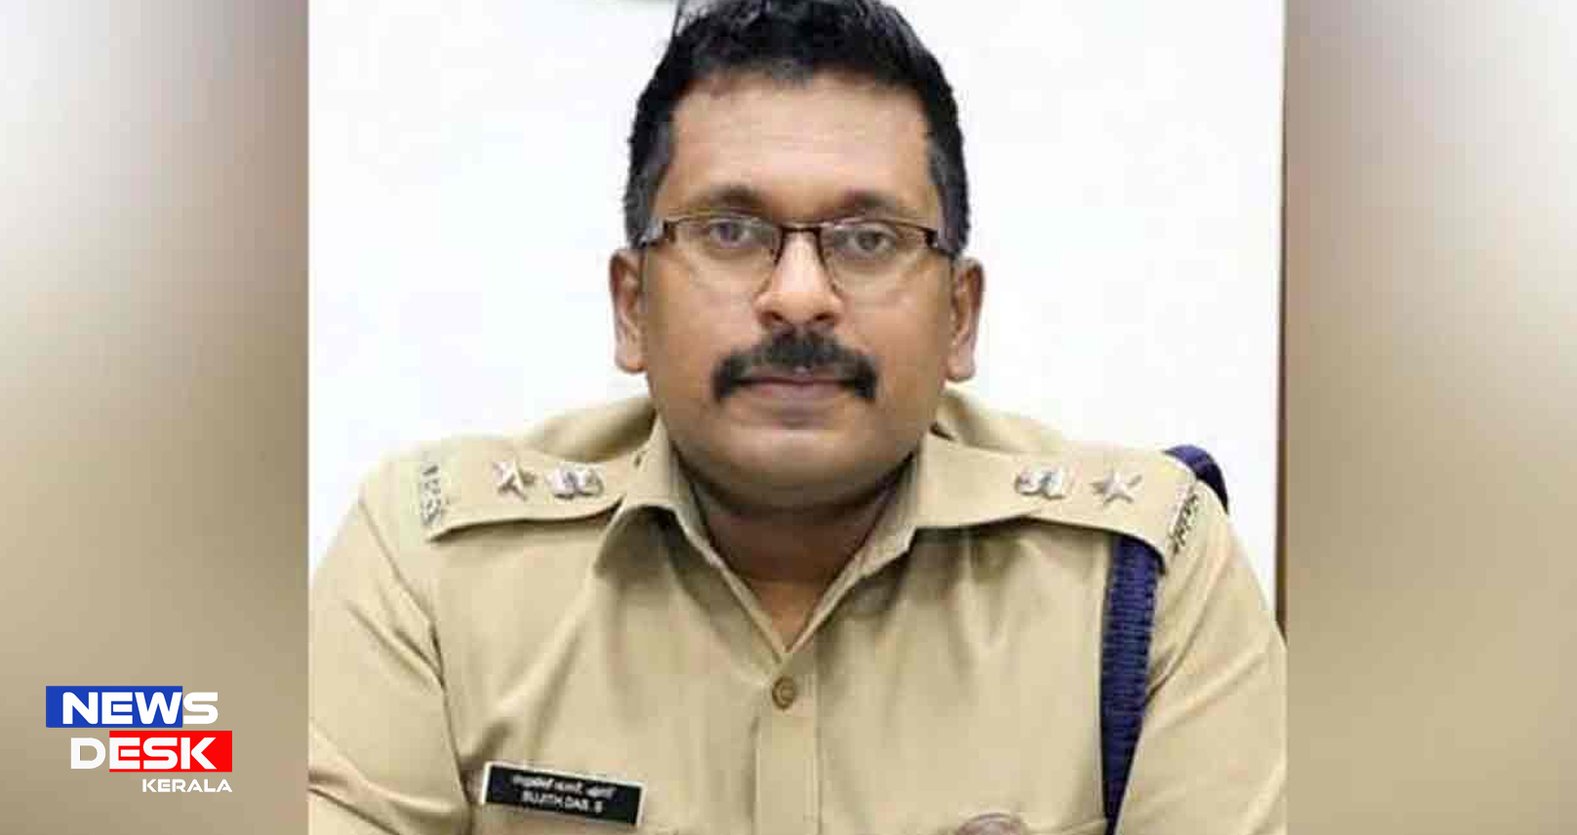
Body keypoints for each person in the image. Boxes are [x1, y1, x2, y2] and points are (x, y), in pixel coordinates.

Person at [309, 1, 1285, 833]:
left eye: (869, 238)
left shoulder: (1143, 576)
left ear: (960, 316)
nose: (799, 296)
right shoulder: (434, 566)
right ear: (632, 306)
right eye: (731, 231)